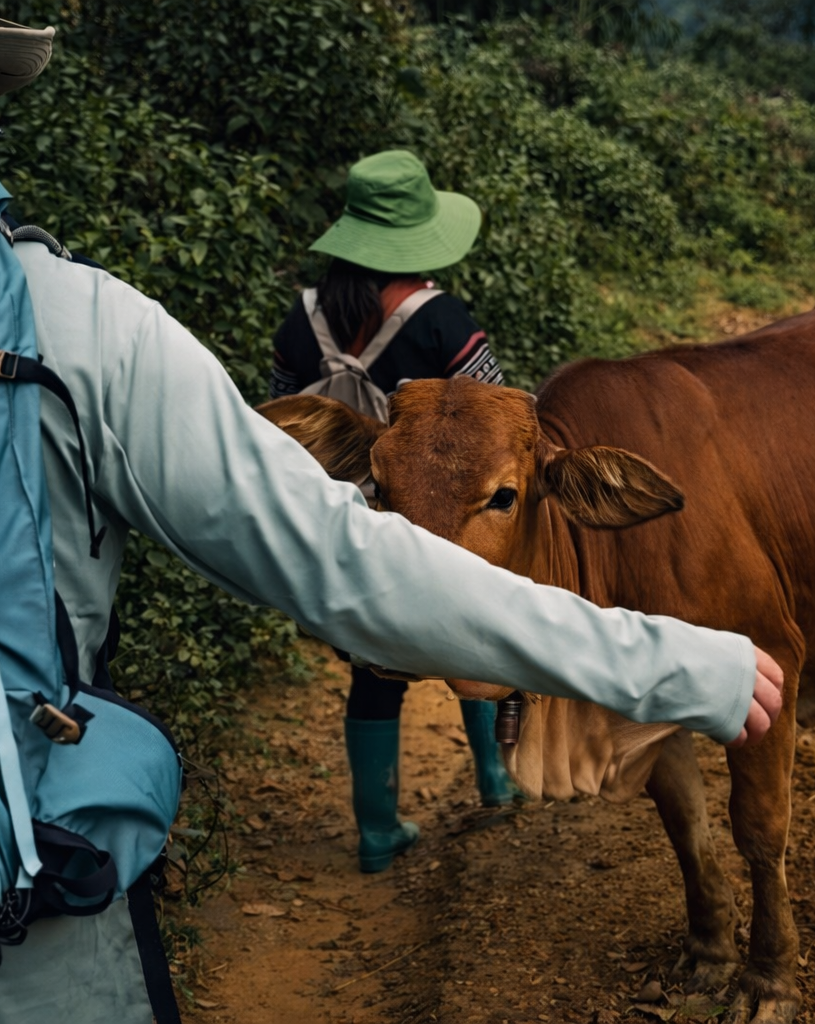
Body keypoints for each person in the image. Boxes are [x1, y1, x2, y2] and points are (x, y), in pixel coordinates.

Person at [0, 3, 784, 1022]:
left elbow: (301, 417)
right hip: (19, 896)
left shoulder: (298, 314)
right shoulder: (75, 322)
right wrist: (681, 661)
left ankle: (384, 822)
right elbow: (351, 563)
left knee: (375, 685)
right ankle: (476, 778)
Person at [270, 149, 514, 873]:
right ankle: (498, 778)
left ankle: (378, 829)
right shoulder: (443, 321)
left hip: (344, 525)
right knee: (474, 640)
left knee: (374, 668)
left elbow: (282, 420)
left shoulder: (302, 317)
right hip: (440, 521)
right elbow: (494, 421)